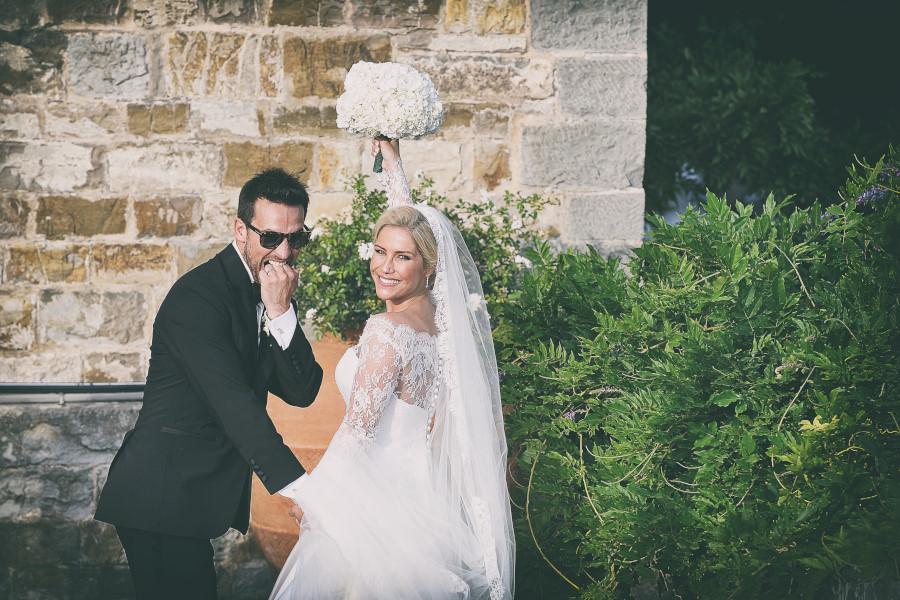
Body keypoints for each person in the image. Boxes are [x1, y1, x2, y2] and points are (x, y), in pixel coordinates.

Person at [270, 140, 515, 600]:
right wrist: (394, 166)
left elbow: (358, 432)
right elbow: (414, 230)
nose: (384, 266)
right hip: (422, 499)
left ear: (428, 266)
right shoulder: (442, 321)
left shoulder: (387, 331)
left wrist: (317, 499)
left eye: (402, 257)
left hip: (372, 504)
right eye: (379, 250)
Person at [94, 167, 324, 599]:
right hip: (160, 494)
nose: (284, 252)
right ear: (240, 230)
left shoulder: (266, 291)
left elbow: (301, 390)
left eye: (297, 239)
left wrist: (280, 312)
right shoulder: (197, 298)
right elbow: (235, 405)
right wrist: (302, 491)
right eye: (271, 238)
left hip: (191, 495)